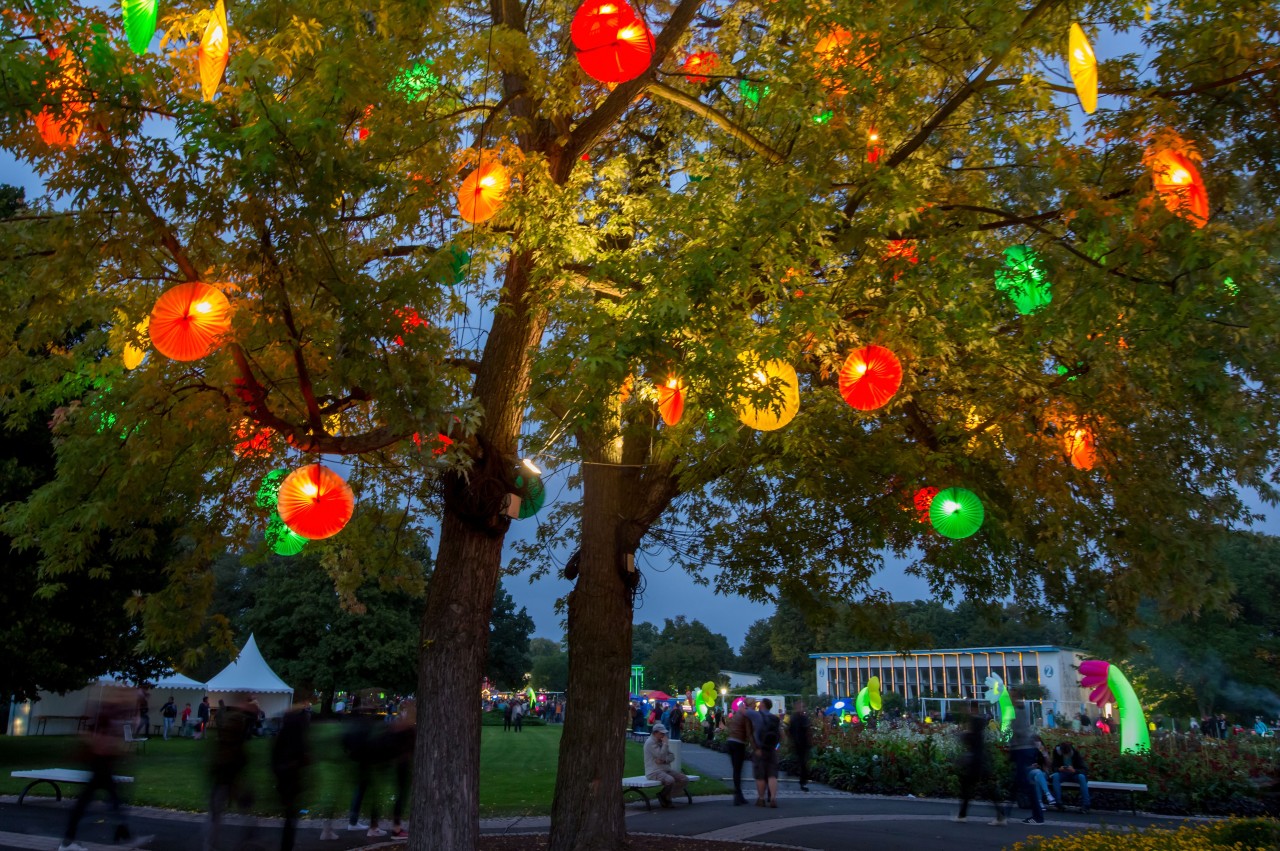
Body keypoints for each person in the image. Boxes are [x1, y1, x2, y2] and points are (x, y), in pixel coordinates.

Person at [59, 688, 143, 851]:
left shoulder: (112, 712)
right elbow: (95, 736)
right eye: (124, 696)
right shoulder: (106, 712)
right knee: (107, 801)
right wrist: (111, 749)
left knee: (110, 801)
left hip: (103, 764)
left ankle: (123, 835)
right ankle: (68, 842)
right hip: (101, 764)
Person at [207, 695, 257, 850]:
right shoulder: (235, 721)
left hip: (227, 770)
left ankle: (213, 842)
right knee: (229, 805)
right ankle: (215, 842)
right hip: (228, 770)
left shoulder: (230, 719)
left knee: (219, 807)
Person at [955, 704, 1006, 825]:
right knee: (985, 788)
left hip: (975, 762)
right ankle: (1000, 815)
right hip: (981, 760)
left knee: (968, 789)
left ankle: (962, 815)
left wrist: (962, 734)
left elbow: (969, 737)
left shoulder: (975, 723)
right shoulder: (979, 723)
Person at [272, 700, 311, 851]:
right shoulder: (297, 736)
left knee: (289, 815)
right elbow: (302, 757)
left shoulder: (282, 734)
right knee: (290, 817)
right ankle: (286, 845)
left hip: (284, 779)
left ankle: (286, 844)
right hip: (291, 779)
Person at [1008, 691, 1044, 826]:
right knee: (1019, 781)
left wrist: (1011, 738)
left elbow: (1020, 731)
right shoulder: (1022, 709)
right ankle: (1005, 813)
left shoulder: (1017, 711)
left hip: (1022, 749)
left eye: (1011, 696)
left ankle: (1038, 816)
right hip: (1024, 749)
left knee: (1024, 782)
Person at [642, 723, 688, 808]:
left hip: (665, 769)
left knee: (683, 779)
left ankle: (666, 796)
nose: (664, 735)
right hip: (654, 771)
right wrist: (665, 745)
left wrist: (664, 761)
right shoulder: (650, 743)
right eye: (661, 733)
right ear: (655, 733)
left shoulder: (661, 742)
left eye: (664, 733)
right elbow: (661, 755)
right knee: (670, 780)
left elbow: (672, 756)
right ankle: (665, 798)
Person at [750, 698, 781, 808]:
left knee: (761, 775)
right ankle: (773, 797)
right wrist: (777, 747)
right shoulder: (774, 718)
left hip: (760, 749)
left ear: (762, 704)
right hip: (772, 749)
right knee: (772, 774)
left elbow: (754, 733)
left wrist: (756, 748)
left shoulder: (757, 716)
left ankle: (761, 798)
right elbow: (779, 735)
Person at [1050, 741, 1091, 813]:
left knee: (1082, 777)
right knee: (1056, 776)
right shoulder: (1057, 753)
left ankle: (1086, 804)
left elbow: (1084, 769)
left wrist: (1074, 770)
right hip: (1063, 774)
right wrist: (1059, 769)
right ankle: (1058, 803)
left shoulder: (1075, 753)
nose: (1066, 756)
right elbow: (1053, 767)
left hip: (1074, 774)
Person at [725, 701, 750, 805]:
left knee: (736, 769)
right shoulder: (745, 715)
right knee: (738, 769)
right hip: (739, 743)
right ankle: (738, 795)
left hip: (730, 741)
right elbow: (748, 731)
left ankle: (738, 794)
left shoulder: (735, 715)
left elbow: (729, 726)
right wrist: (751, 742)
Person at [788, 700, 812, 792]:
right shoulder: (797, 718)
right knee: (802, 762)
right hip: (799, 743)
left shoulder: (798, 717)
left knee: (802, 763)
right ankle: (802, 781)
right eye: (801, 706)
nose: (802, 708)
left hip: (802, 743)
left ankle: (802, 781)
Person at [1028, 739, 1055, 809]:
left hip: (1041, 774)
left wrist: (1045, 754)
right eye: (1036, 745)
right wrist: (1031, 766)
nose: (1037, 747)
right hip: (1030, 772)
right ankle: (1048, 794)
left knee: (1038, 777)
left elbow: (1049, 765)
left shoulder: (1042, 752)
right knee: (1038, 772)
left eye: (1039, 745)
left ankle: (1039, 802)